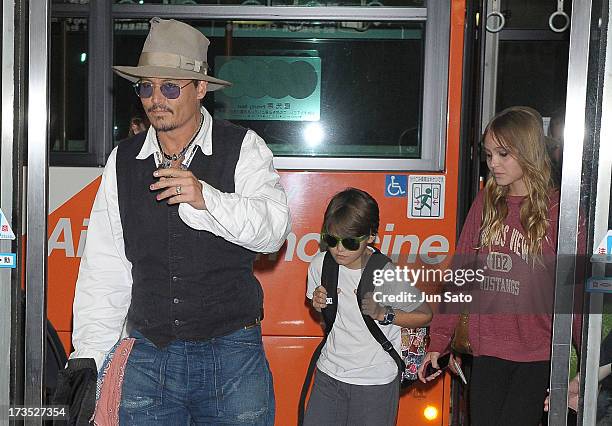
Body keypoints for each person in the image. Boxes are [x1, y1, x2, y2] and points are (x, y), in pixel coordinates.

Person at [62, 17, 291, 425]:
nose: (155, 98)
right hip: (148, 356)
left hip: (232, 355)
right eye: (145, 86)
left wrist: (207, 199)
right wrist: (89, 358)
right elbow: (106, 268)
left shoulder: (243, 147)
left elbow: (272, 231)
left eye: (169, 86)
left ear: (201, 89)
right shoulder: (124, 161)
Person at [418, 106, 564, 425]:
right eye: (488, 155)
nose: (493, 164)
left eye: (503, 154)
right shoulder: (486, 202)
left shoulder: (557, 210)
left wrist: (582, 364)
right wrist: (439, 340)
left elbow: (572, 290)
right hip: (488, 351)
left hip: (537, 354)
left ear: (527, 152)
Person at [304, 188, 432, 426]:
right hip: (329, 374)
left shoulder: (386, 275)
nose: (339, 249)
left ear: (371, 237)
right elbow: (329, 318)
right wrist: (318, 304)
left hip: (374, 380)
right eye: (331, 239)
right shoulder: (320, 265)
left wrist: (383, 313)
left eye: (350, 242)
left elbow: (425, 315)